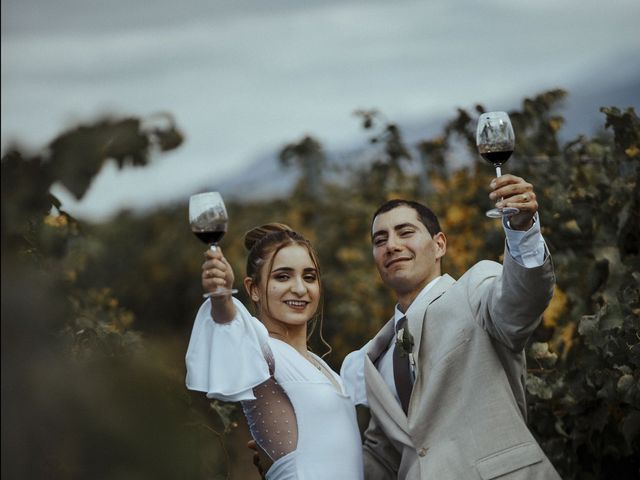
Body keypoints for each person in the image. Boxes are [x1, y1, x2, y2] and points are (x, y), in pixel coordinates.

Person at [341, 174, 562, 479]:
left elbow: (521, 301)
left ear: (439, 245)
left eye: (405, 232)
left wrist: (522, 230)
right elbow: (383, 458)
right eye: (380, 240)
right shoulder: (374, 359)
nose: (391, 245)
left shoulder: (476, 291)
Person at [185, 224, 364, 480]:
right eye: (283, 276)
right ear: (254, 289)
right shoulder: (263, 350)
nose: (300, 289)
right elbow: (229, 323)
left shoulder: (324, 368)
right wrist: (221, 295)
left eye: (309, 277)